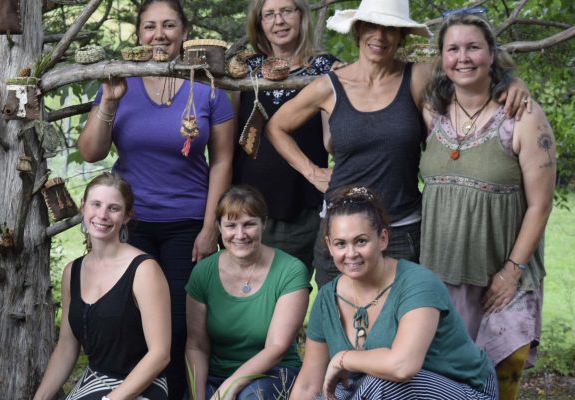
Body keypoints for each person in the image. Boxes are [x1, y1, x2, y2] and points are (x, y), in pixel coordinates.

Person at [264, 0, 532, 288]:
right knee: (337, 325)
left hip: (401, 232)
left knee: (401, 327)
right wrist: (311, 172)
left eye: (390, 29)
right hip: (341, 234)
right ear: (358, 31)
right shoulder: (329, 86)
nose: (380, 37)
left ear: (402, 36)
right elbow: (276, 127)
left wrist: (511, 82)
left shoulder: (417, 76)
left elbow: (469, 64)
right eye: (371, 27)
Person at [77, 1, 235, 395]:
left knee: (182, 324)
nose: (159, 34)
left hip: (187, 223)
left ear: (184, 32)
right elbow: (91, 152)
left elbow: (222, 162)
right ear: (138, 35)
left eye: (168, 26)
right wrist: (109, 102)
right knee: (131, 321)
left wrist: (209, 225)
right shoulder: (120, 84)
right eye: (149, 27)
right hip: (130, 223)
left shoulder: (208, 86)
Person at [419, 13, 555, 400]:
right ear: (442, 57)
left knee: (502, 374)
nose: (463, 57)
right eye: (453, 49)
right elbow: (382, 68)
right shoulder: (433, 111)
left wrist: (512, 271)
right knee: (448, 383)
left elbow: (541, 205)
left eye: (474, 47)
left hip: (501, 276)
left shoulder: (522, 117)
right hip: (441, 275)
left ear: (492, 54)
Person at [288, 186, 498, 400]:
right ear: (329, 247)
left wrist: (343, 358)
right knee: (334, 392)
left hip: (461, 390)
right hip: (375, 390)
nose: (351, 253)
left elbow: (402, 367)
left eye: (361, 241)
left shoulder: (417, 283)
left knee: (380, 384)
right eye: (340, 244)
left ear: (383, 239)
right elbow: (308, 384)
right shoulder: (327, 299)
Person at [33, 172, 171, 400]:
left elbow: (160, 354)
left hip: (143, 384)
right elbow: (67, 347)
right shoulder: (72, 272)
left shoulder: (144, 270)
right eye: (96, 205)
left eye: (113, 208)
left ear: (127, 216)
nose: (102, 215)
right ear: (83, 208)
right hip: (95, 379)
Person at [232, 0, 338, 274]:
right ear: (259, 23)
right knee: (246, 297)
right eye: (269, 14)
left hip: (300, 209)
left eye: (286, 11)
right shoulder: (243, 69)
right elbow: (228, 135)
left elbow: (333, 141)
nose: (278, 21)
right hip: (246, 209)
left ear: (301, 16)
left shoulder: (326, 67)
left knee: (289, 296)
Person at [186, 186, 310, 400]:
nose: (240, 234)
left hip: (273, 373)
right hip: (216, 374)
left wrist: (229, 387)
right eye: (231, 225)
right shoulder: (203, 272)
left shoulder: (290, 271)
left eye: (249, 224)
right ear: (219, 228)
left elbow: (277, 347)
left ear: (264, 224)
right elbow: (196, 346)